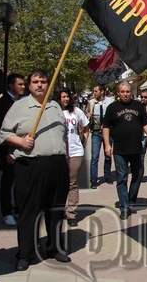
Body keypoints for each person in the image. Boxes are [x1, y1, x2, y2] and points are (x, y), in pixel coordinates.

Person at [0, 68, 71, 271]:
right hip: (31, 165)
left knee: (56, 210)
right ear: (29, 85)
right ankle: (26, 253)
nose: (40, 85)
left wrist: (65, 159)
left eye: (43, 81)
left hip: (56, 164)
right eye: (35, 82)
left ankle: (54, 247)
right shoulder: (19, 106)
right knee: (30, 211)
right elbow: (4, 134)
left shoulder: (55, 106)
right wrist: (20, 141)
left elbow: (63, 135)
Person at [102, 80, 147, 219]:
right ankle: (124, 206)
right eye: (122, 92)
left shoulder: (138, 106)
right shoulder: (112, 108)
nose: (125, 94)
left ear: (131, 92)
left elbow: (145, 123)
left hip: (137, 148)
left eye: (127, 91)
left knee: (138, 175)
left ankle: (131, 201)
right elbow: (106, 127)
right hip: (120, 149)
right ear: (118, 93)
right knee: (122, 178)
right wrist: (107, 144)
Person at [56, 87, 89, 227]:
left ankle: (71, 213)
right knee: (59, 183)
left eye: (67, 96)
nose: (65, 99)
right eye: (62, 97)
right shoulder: (53, 112)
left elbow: (86, 126)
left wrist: (84, 141)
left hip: (76, 152)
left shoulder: (76, 111)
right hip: (59, 152)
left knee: (72, 183)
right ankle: (57, 210)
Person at [0, 73, 25, 226]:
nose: (23, 87)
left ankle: (18, 208)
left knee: (19, 179)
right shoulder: (3, 103)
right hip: (8, 149)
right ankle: (7, 212)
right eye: (20, 84)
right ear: (10, 86)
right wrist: (7, 152)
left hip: (20, 146)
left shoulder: (20, 101)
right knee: (8, 180)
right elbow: (2, 130)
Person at [86, 84, 114, 188]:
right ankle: (93, 179)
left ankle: (107, 175)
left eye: (96, 91)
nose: (94, 93)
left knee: (108, 155)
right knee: (94, 157)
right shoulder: (91, 102)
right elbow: (86, 119)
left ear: (102, 92)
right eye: (94, 91)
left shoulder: (110, 101)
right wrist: (88, 116)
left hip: (108, 132)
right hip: (96, 132)